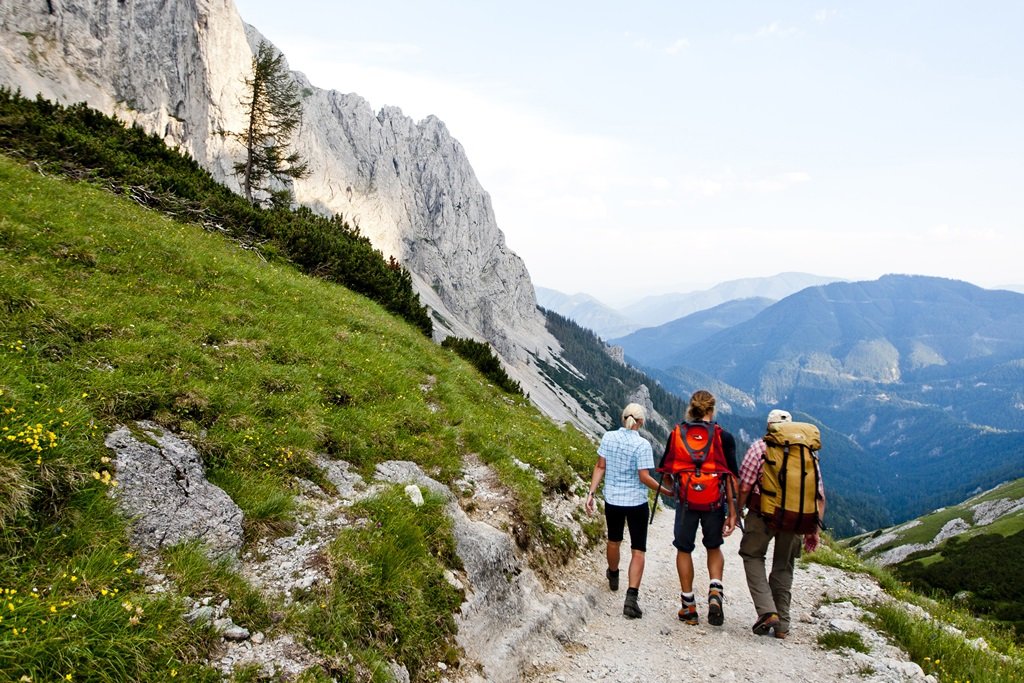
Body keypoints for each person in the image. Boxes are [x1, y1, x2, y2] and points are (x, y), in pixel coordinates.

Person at [737, 409, 826, 640]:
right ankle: (783, 625)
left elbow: (745, 485)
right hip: (796, 519)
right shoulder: (807, 452)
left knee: (752, 555)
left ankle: (767, 611)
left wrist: (736, 512)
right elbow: (819, 495)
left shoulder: (760, 447)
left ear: (769, 426)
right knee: (784, 566)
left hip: (762, 514)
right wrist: (813, 530)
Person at [585, 403, 672, 619]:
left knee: (614, 541)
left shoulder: (608, 437)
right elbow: (644, 477)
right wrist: (665, 491)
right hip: (636, 502)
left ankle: (613, 574)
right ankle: (631, 598)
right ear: (641, 422)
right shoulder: (642, 445)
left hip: (613, 499)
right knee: (638, 550)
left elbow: (600, 466)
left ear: (623, 418)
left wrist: (591, 493)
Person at [667, 390, 738, 626]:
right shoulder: (723, 437)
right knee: (714, 546)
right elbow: (730, 477)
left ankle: (688, 607)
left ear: (692, 408)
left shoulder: (677, 434)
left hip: (686, 503)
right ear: (711, 409)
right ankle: (715, 590)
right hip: (714, 502)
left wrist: (675, 491)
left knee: (684, 549)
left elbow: (667, 472)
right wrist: (733, 512)